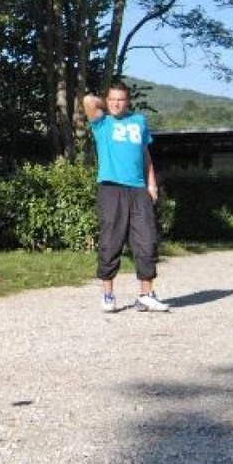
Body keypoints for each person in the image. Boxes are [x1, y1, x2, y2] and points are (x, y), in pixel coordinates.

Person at [83, 84, 169, 313]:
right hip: (111, 189)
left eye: (121, 100)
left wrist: (151, 183)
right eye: (112, 99)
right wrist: (106, 105)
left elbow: (145, 155)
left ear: (128, 101)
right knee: (111, 241)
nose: (116, 103)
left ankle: (146, 295)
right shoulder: (102, 123)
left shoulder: (139, 122)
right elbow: (88, 101)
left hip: (138, 189)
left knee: (147, 240)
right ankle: (108, 294)